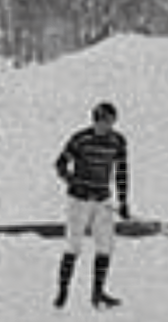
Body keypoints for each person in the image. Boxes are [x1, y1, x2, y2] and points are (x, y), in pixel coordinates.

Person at [53, 101, 130, 309]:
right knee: (73, 246)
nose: (108, 127)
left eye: (111, 122)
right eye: (105, 122)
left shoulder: (117, 141)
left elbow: (122, 172)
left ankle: (98, 294)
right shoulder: (81, 139)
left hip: (102, 200)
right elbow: (60, 164)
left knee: (105, 246)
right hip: (79, 200)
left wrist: (123, 201)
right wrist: (72, 181)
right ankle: (62, 292)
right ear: (96, 120)